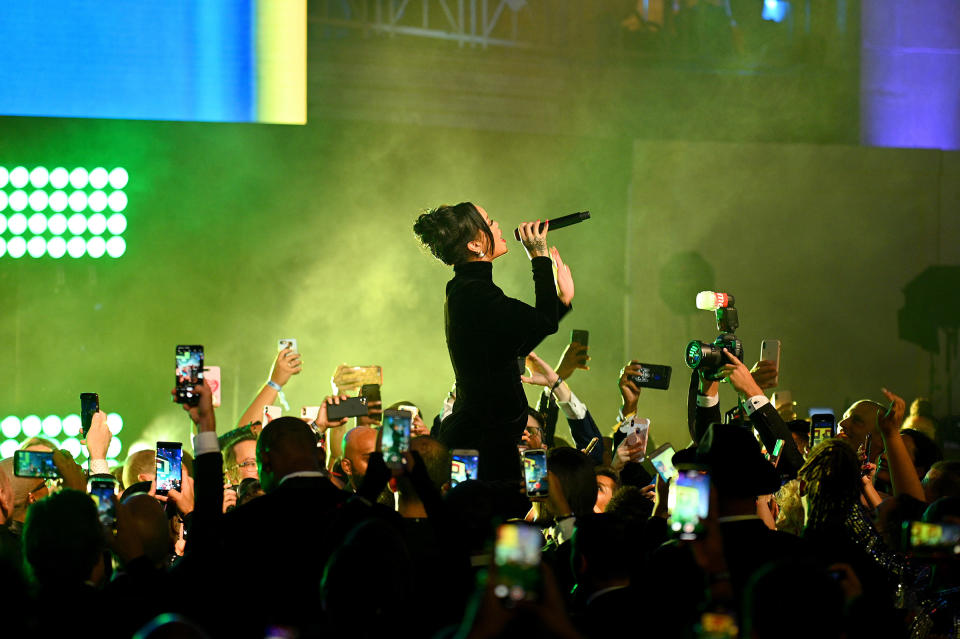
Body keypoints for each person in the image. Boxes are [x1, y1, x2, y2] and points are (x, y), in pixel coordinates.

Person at [413, 202, 574, 480]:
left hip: (486, 442)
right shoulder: (474, 293)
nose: (498, 226)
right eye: (489, 221)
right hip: (481, 446)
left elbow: (517, 341)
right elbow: (541, 323)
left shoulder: (469, 290)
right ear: (475, 245)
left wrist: (562, 301)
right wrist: (539, 256)